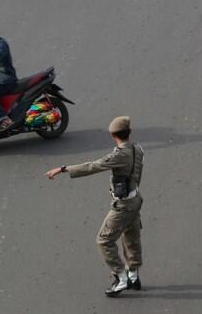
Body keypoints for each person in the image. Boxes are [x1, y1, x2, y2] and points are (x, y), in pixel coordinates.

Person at [45, 116, 145, 297]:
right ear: (129, 133)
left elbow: (93, 166)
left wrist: (64, 169)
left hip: (123, 205)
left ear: (113, 135)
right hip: (135, 199)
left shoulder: (120, 155)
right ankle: (133, 274)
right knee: (131, 237)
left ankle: (121, 278)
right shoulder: (138, 149)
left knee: (104, 240)